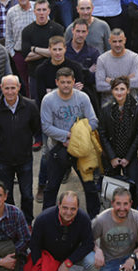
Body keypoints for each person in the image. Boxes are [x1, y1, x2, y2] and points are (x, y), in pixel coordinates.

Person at [40, 67, 100, 218]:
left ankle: (94, 219)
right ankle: (46, 219)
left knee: (90, 187)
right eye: (62, 82)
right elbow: (46, 126)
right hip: (58, 148)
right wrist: (67, 136)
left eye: (68, 82)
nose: (66, 85)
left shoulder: (82, 97)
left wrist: (76, 138)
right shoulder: (48, 100)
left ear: (74, 82)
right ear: (56, 82)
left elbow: (93, 121)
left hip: (81, 149)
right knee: (51, 187)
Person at [0, 75, 42, 219]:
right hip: (4, 159)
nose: (10, 92)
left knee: (27, 195)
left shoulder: (30, 106)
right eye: (7, 88)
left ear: (19, 88)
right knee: (6, 195)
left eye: (13, 88)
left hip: (25, 158)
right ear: (1, 88)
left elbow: (35, 127)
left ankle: (28, 221)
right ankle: (10, 221)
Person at [26, 191, 94, 271]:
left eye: (73, 209)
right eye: (65, 208)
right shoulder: (43, 219)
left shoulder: (84, 219)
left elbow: (88, 244)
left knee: (92, 260)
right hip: (49, 258)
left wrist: (68, 262)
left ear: (78, 208)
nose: (68, 213)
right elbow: (34, 245)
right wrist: (41, 267)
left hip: (71, 255)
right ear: (59, 205)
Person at [20, 0, 66, 102]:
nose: (41, 13)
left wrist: (34, 49)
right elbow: (26, 57)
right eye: (39, 10)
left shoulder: (57, 28)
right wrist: (49, 52)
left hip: (56, 74)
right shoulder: (27, 31)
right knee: (37, 105)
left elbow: (59, 53)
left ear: (49, 11)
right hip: (35, 75)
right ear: (34, 11)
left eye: (44, 10)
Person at [98, 77, 138, 179]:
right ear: (112, 91)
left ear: (128, 90)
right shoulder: (106, 109)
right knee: (110, 186)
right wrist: (112, 157)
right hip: (111, 154)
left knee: (133, 184)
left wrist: (128, 158)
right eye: (116, 89)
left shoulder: (137, 108)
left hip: (130, 154)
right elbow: (102, 134)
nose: (119, 92)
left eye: (122, 89)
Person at [95, 29, 138, 99]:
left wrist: (112, 81)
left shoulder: (134, 58)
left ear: (125, 40)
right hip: (108, 104)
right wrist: (127, 79)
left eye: (120, 41)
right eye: (114, 41)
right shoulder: (102, 59)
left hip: (130, 102)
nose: (117, 44)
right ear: (109, 41)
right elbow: (100, 86)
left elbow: (136, 83)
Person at [5, 0, 35, 85]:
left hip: (38, 54)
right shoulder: (11, 12)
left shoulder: (39, 8)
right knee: (26, 84)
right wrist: (14, 55)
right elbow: (8, 36)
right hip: (20, 55)